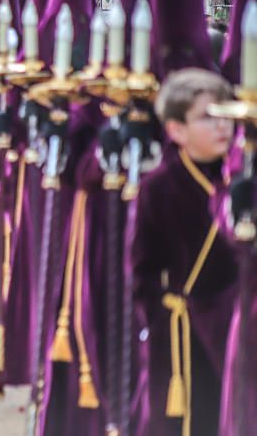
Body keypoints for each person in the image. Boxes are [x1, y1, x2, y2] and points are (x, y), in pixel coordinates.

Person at [132, 68, 238, 436]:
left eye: (226, 114)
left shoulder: (240, 180)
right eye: (207, 118)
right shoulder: (157, 189)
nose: (221, 126)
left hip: (237, 323)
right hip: (183, 330)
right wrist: (159, 318)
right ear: (176, 130)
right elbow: (141, 269)